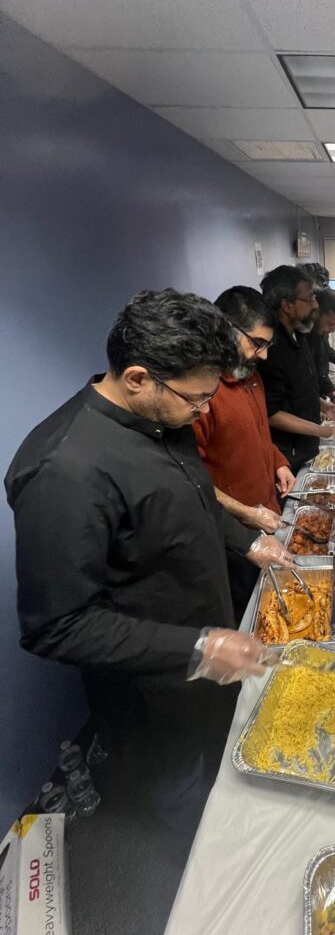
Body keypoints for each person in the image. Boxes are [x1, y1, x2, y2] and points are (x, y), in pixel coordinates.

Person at [4, 289, 292, 834]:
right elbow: (57, 627)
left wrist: (243, 541)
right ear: (137, 377)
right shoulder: (64, 469)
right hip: (154, 685)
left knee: (223, 771)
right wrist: (199, 645)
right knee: (181, 793)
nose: (202, 411)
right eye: (196, 400)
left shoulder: (163, 414)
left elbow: (191, 494)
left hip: (210, 643)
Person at [193, 286, 296, 612]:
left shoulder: (251, 376)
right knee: (250, 611)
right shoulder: (201, 394)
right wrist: (245, 513)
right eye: (257, 344)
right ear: (225, 329)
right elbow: (192, 481)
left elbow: (258, 432)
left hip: (267, 514)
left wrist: (279, 461)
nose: (263, 355)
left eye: (268, 345)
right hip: (234, 537)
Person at [258, 265, 335, 473]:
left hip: (308, 444)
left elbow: (299, 391)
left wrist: (325, 407)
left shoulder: (300, 334)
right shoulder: (271, 347)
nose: (316, 305)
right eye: (309, 299)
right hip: (289, 453)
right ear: (287, 305)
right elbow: (272, 413)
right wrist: (324, 431)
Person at [308, 287, 335, 401]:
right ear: (316, 312)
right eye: (330, 323)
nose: (333, 330)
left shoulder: (320, 332)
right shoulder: (305, 336)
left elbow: (326, 350)